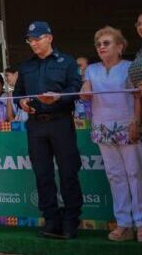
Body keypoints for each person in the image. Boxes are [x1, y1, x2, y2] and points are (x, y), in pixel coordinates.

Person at [13, 21, 83, 239]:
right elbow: (18, 94)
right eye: (30, 40)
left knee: (68, 172)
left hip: (60, 121)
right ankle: (51, 219)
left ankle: (71, 221)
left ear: (49, 38)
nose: (33, 43)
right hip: (35, 125)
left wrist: (57, 98)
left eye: (37, 38)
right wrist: (22, 103)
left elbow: (75, 89)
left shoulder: (68, 62)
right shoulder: (25, 66)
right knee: (42, 174)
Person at [80, 27, 142, 242]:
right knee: (115, 177)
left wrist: (136, 123)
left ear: (120, 47)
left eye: (106, 43)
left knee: (136, 175)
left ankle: (141, 224)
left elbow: (138, 98)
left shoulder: (131, 67)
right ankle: (124, 224)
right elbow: (85, 91)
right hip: (102, 129)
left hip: (128, 127)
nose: (101, 47)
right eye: (98, 44)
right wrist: (84, 91)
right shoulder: (91, 70)